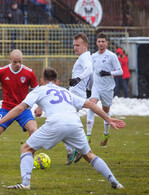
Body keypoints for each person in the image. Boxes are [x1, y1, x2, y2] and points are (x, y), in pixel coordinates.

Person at [0, 67, 126, 190]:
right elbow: (91, 104)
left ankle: (25, 183)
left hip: (56, 123)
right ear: (57, 82)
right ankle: (115, 182)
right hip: (75, 124)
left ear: (42, 80)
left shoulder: (40, 90)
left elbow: (20, 108)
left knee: (26, 149)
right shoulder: (66, 92)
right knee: (89, 155)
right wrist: (108, 119)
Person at [86, 33, 123, 147]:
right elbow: (91, 73)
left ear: (106, 43)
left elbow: (120, 71)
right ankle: (88, 136)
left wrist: (109, 73)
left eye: (103, 41)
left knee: (105, 111)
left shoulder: (111, 56)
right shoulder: (93, 57)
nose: (101, 43)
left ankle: (106, 134)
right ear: (96, 43)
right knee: (91, 107)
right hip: (96, 87)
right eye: (99, 41)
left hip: (107, 88)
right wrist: (88, 87)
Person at [65, 32, 93, 165]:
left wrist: (78, 79)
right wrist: (88, 88)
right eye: (74, 45)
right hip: (76, 93)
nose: (75, 48)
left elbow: (89, 70)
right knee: (67, 121)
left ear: (85, 46)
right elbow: (91, 75)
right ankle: (74, 149)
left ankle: (74, 149)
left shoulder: (84, 58)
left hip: (75, 95)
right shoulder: (85, 57)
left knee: (63, 120)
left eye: (77, 45)